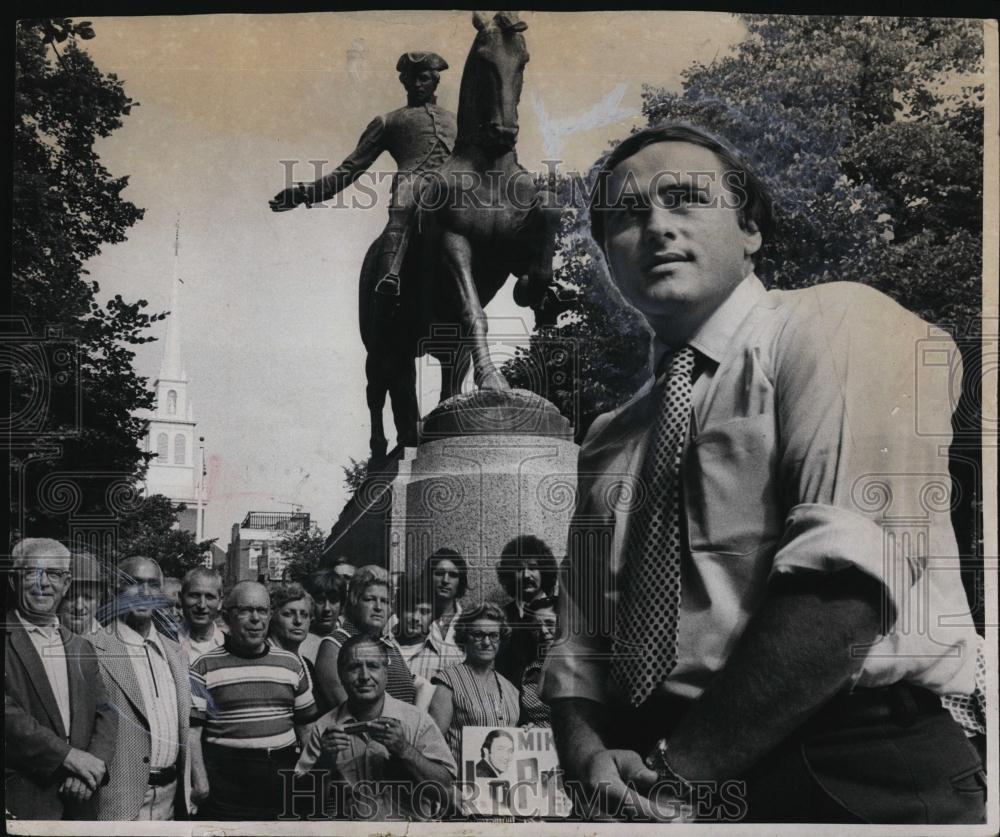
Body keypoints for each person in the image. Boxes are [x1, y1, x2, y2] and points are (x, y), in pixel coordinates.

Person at [544, 123, 986, 823]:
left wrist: (675, 777)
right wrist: (588, 753)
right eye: (626, 216)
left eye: (685, 199)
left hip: (842, 764)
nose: (657, 226)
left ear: (750, 229)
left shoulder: (839, 325)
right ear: (607, 258)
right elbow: (580, 641)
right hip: (649, 770)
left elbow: (841, 596)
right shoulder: (608, 437)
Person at [270, 52, 456, 299]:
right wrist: (304, 193)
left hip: (456, 185)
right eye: (411, 80)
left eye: (423, 78)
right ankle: (390, 276)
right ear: (403, 82)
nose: (417, 85)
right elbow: (351, 168)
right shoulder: (387, 122)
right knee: (403, 206)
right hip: (413, 181)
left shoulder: (456, 120)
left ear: (435, 81)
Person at [5, 538, 117, 820]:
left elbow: (105, 713)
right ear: (12, 580)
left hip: (82, 799)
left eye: (54, 574)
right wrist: (68, 758)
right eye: (32, 572)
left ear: (66, 584)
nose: (43, 583)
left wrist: (91, 768)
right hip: (24, 801)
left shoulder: (80, 647)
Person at [189, 580, 320, 820]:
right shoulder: (203, 667)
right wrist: (201, 781)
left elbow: (307, 727)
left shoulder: (291, 664)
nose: (255, 618)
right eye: (245, 610)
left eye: (262, 610)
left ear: (270, 615)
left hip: (281, 777)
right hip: (227, 783)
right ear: (227, 617)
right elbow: (192, 734)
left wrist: (304, 772)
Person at [295, 634, 457, 820]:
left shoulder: (417, 720)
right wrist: (324, 762)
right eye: (354, 667)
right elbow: (303, 804)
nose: (364, 676)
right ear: (340, 675)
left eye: (372, 666)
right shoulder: (325, 727)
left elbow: (445, 790)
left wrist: (405, 750)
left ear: (385, 672)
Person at [89, 556, 191, 820]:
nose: (145, 593)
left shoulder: (174, 652)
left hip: (171, 798)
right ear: (115, 590)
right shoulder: (91, 648)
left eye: (153, 585)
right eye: (134, 583)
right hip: (118, 801)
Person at [428, 602, 520, 768]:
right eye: (478, 634)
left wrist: (525, 734)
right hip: (462, 785)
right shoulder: (448, 681)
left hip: (503, 787)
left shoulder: (511, 689)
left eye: (493, 635)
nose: (486, 642)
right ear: (464, 637)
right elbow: (433, 744)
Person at [313, 565, 416, 709]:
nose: (378, 607)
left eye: (385, 601)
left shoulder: (390, 645)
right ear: (354, 601)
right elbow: (347, 711)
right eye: (370, 599)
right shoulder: (334, 645)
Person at [494, 535, 558, 685]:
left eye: (533, 567)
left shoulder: (563, 611)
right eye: (519, 569)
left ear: (544, 571)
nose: (526, 575)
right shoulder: (500, 617)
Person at [518, 596, 558, 728]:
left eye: (550, 623)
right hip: (539, 744)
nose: (543, 631)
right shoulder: (526, 672)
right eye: (536, 627)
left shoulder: (585, 667)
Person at [425, 548, 467, 666]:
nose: (445, 580)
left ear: (460, 581)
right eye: (439, 573)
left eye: (453, 575)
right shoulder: (401, 620)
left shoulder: (470, 624)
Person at [268, 581, 317, 682]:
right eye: (288, 614)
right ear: (271, 617)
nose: (298, 621)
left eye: (304, 615)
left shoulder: (307, 665)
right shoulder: (265, 662)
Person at [177, 567, 226, 665]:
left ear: (220, 602)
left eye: (209, 597)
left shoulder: (229, 645)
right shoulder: (165, 642)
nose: (202, 605)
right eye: (194, 595)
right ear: (180, 598)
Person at [300, 568, 347, 664]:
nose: (327, 609)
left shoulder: (349, 636)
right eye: (320, 600)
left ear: (342, 604)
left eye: (333, 601)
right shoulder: (299, 640)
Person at [57, 549, 105, 636]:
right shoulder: (40, 640)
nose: (79, 607)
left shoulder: (112, 644)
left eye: (88, 597)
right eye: (71, 596)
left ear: (99, 600)